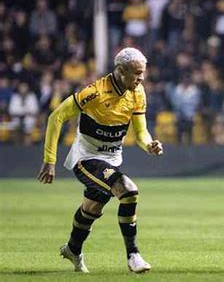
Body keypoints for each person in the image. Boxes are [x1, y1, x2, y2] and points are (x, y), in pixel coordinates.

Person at [37, 47, 163, 273]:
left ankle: (73, 249)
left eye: (143, 73)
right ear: (120, 70)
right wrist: (49, 160)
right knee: (128, 191)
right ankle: (133, 254)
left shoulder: (138, 93)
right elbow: (57, 117)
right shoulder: (94, 92)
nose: (141, 78)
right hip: (86, 158)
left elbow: (141, 132)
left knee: (92, 208)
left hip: (111, 159)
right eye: (136, 73)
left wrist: (149, 144)